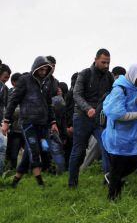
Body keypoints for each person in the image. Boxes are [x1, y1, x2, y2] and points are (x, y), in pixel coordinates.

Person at [2, 57, 60, 187]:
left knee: (33, 152)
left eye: (46, 69)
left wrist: (53, 122)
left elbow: (48, 104)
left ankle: (14, 182)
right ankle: (40, 183)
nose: (44, 72)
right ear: (36, 68)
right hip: (28, 123)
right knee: (34, 151)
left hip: (43, 124)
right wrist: (6, 121)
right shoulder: (24, 80)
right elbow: (13, 101)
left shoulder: (47, 83)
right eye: (42, 69)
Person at [101, 64, 137, 200]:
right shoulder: (119, 90)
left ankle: (111, 178)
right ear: (134, 74)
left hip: (134, 134)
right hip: (119, 136)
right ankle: (112, 198)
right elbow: (118, 115)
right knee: (118, 167)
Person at [68, 48, 113, 187]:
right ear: (96, 59)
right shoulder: (85, 73)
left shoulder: (109, 76)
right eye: (103, 62)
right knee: (78, 151)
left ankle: (108, 180)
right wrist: (87, 108)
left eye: (108, 63)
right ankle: (72, 183)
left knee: (107, 147)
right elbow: (76, 94)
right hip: (82, 117)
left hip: (100, 118)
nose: (106, 65)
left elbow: (113, 94)